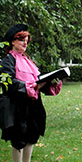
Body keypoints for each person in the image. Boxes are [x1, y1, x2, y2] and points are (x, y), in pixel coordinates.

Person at [0, 24, 62, 162]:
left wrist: (51, 83)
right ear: (12, 41)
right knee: (18, 139)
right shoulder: (7, 61)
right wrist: (28, 86)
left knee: (32, 136)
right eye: (22, 40)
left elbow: (38, 82)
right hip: (17, 106)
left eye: (27, 41)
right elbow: (8, 82)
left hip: (34, 105)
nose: (25, 43)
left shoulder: (28, 61)